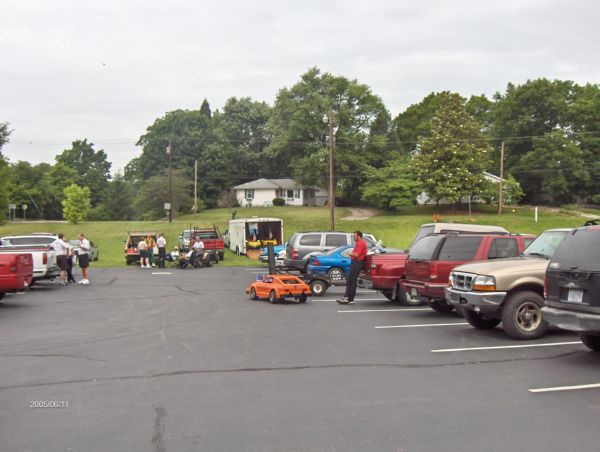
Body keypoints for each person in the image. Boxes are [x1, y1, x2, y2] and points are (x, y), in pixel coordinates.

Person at [337, 231, 368, 305]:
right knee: (351, 280)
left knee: (351, 280)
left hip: (357, 263)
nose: (354, 237)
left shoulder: (361, 243)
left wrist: (349, 253)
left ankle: (348, 298)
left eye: (355, 236)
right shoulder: (359, 243)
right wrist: (352, 254)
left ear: (359, 236)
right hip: (356, 262)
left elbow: (356, 254)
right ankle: (350, 299)